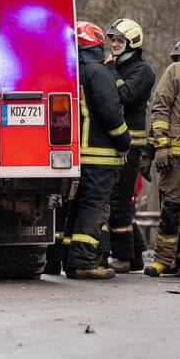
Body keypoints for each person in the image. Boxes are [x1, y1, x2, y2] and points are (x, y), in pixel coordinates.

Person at [61, 21, 132, 280]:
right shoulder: (97, 72)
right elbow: (110, 112)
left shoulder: (71, 70)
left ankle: (70, 259)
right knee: (95, 206)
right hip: (99, 153)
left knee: (78, 206)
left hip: (78, 154)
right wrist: (125, 141)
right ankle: (82, 262)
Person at [143, 37, 180, 276]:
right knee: (172, 209)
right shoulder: (175, 72)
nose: (176, 64)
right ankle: (163, 259)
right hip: (175, 157)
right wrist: (154, 149)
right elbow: (159, 112)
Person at [104, 19, 155, 272]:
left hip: (131, 146)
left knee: (119, 202)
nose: (114, 44)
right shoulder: (119, 66)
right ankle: (135, 256)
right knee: (119, 199)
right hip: (116, 144)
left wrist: (111, 71)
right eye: (112, 40)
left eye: (119, 41)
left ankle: (122, 258)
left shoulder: (142, 71)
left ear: (132, 43)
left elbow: (124, 96)